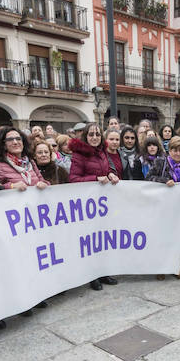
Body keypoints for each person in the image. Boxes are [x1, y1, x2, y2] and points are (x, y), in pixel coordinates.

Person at [68, 124, 119, 291]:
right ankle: (92, 276)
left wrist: (111, 172)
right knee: (90, 242)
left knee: (102, 239)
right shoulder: (79, 154)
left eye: (97, 134)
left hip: (103, 204)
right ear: (85, 136)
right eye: (91, 134)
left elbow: (107, 168)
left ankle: (103, 271)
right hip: (87, 205)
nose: (95, 137)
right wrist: (95, 178)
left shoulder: (102, 151)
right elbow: (74, 179)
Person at [147, 136, 180, 279]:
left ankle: (175, 267)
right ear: (170, 150)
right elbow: (149, 179)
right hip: (164, 209)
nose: (177, 153)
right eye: (174, 150)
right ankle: (160, 268)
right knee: (163, 238)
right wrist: (163, 181)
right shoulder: (160, 162)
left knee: (179, 239)